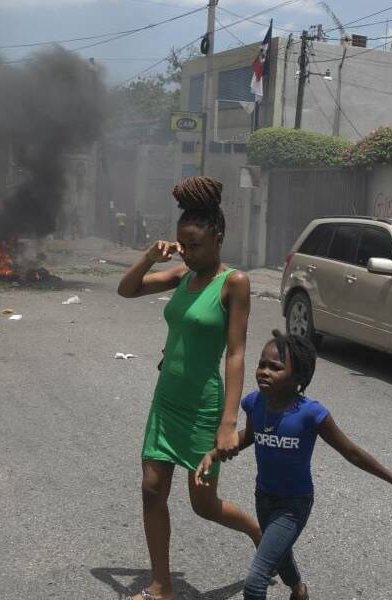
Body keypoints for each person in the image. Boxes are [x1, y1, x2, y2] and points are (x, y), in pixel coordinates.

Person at [196, 331, 392, 600]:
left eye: (275, 367)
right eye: (262, 364)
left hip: (294, 505)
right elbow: (249, 436)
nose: (264, 372)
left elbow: (352, 452)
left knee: (255, 582)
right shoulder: (254, 403)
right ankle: (299, 589)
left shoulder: (311, 414)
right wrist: (214, 453)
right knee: (280, 554)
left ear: (298, 377)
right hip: (263, 497)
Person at [117, 176, 259, 600]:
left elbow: (236, 354)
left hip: (202, 407)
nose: (187, 253)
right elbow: (127, 289)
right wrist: (150, 257)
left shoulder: (234, 283)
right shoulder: (182, 274)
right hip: (167, 400)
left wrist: (229, 423)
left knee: (204, 505)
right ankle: (161, 586)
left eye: (195, 245)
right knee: (151, 490)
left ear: (218, 237)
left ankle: (258, 532)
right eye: (182, 245)